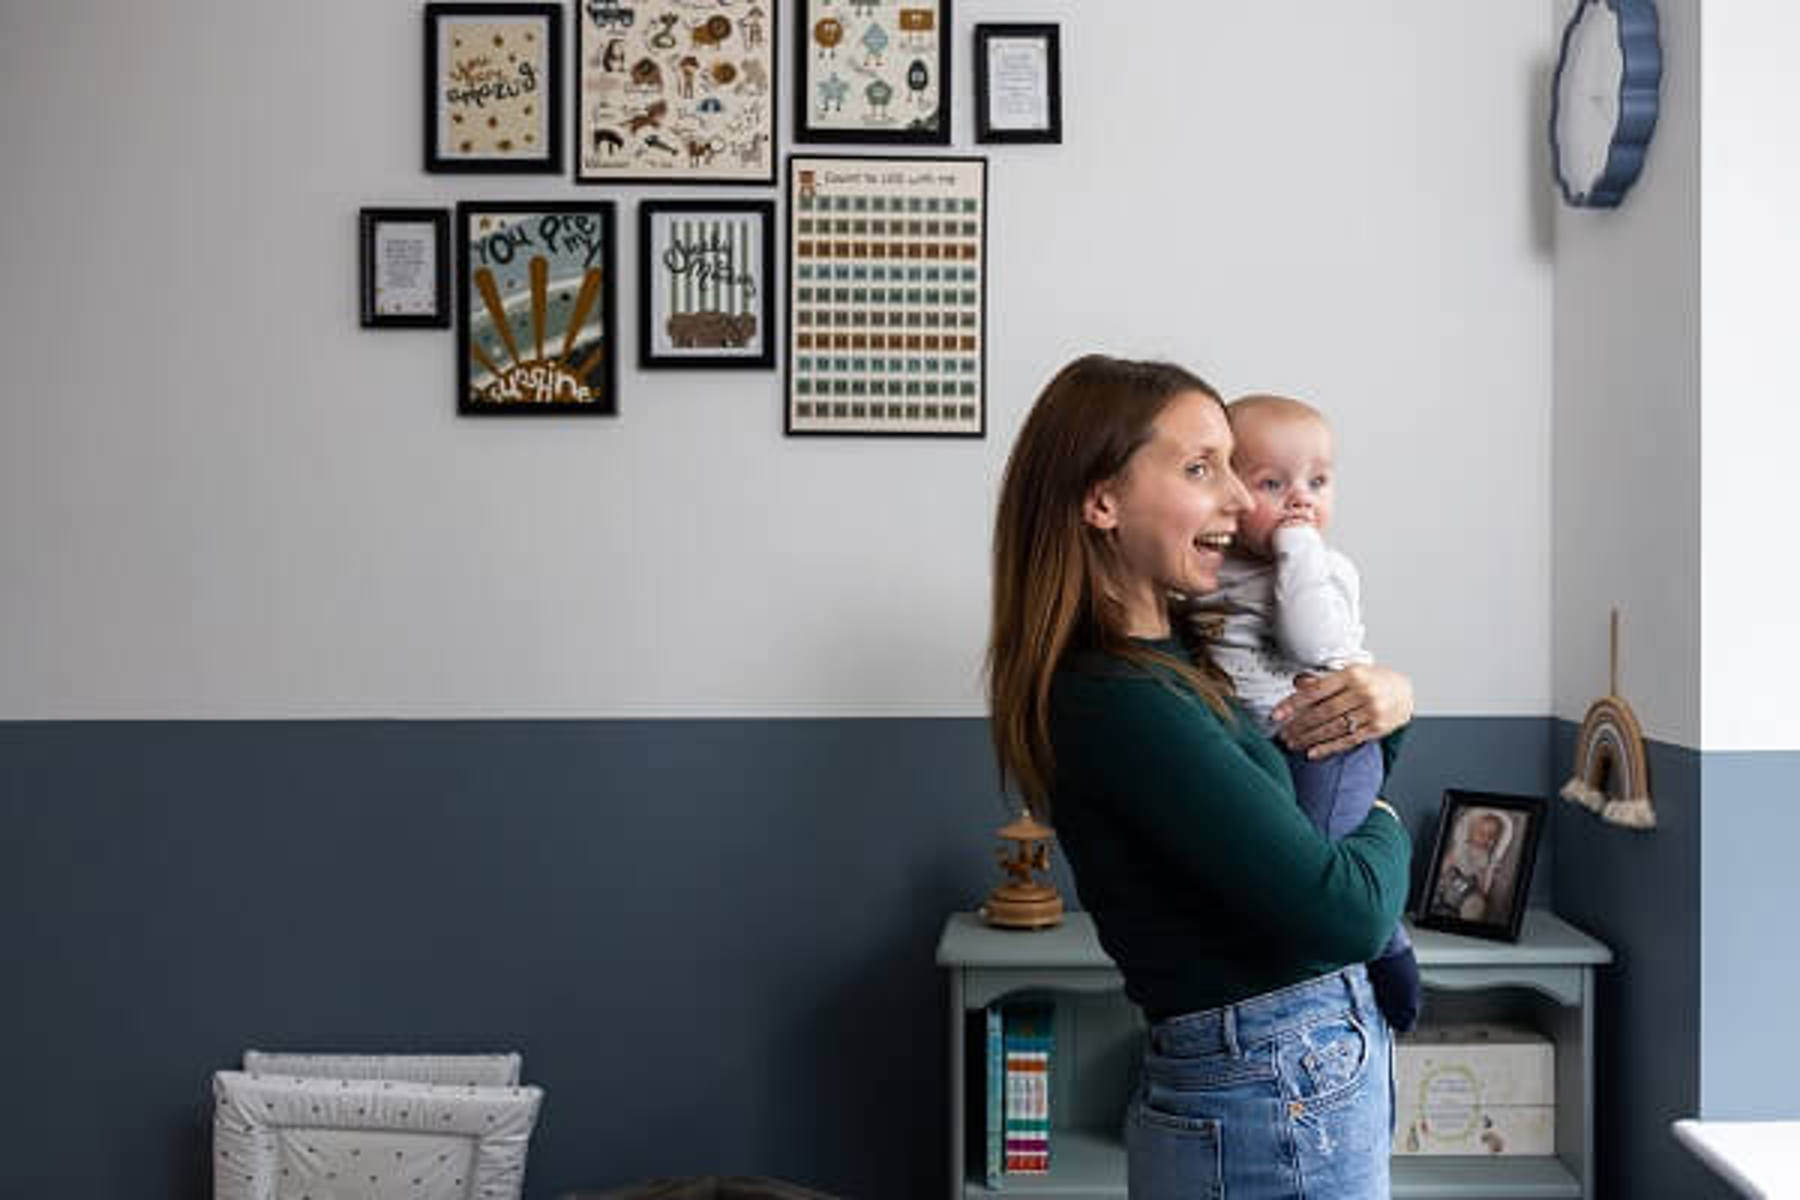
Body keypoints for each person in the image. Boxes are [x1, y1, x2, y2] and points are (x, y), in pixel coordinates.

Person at [987, 355, 1415, 1199]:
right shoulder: (1120, 698)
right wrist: (1392, 817)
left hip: (1282, 1073)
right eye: (1199, 468)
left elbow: (1336, 759)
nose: (1237, 498)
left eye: (1229, 465)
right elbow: (1350, 912)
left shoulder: (1188, 654)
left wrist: (1390, 699)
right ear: (1101, 500)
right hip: (1274, 1080)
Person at [1180, 393, 1422, 1033]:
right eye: (1272, 483)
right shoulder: (1212, 569)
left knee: (1316, 868)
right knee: (1265, 861)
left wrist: (1297, 551)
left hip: (1325, 744)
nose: (1300, 499)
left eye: (1318, 482)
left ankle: (1387, 945)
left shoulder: (1325, 568)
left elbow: (1312, 645)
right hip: (1256, 744)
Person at [1430, 809, 1511, 921]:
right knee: (1439, 885)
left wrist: (1485, 875)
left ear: (1497, 841)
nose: (1485, 838)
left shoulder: (1489, 859)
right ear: (1470, 832)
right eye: (1481, 833)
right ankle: (1436, 901)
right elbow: (1447, 862)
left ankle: (1466, 914)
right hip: (1452, 879)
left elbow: (1485, 886)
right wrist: (1442, 872)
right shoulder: (1461, 848)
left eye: (1492, 836)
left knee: (1477, 902)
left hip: (1469, 888)